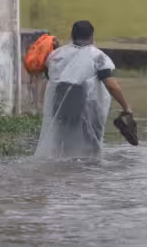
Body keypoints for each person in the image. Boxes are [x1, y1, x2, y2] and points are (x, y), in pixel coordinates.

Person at [35, 20, 132, 158]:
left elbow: (50, 76)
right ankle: (87, 174)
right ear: (92, 36)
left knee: (62, 142)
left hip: (60, 108)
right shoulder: (97, 57)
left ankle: (63, 172)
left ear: (72, 35)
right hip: (86, 109)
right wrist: (126, 107)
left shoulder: (56, 54)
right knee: (91, 145)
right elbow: (111, 85)